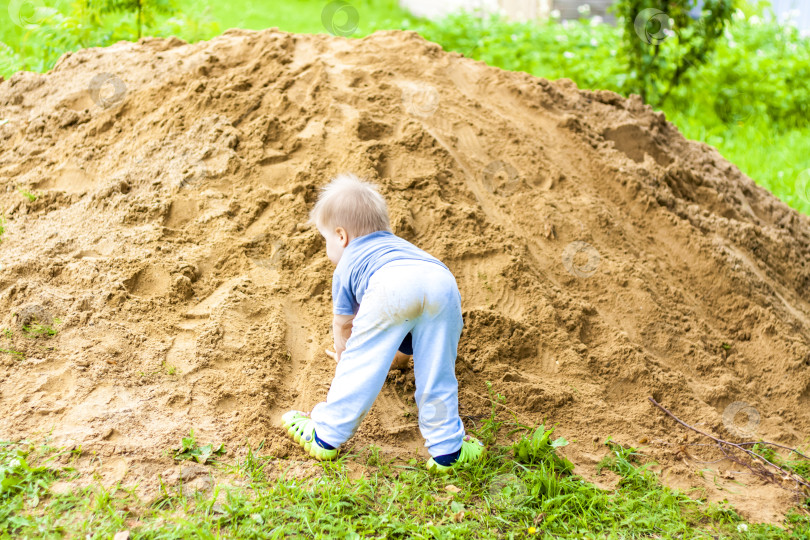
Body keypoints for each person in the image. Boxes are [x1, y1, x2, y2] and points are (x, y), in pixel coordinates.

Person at [281, 173, 485, 473]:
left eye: (326, 240)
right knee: (437, 370)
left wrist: (344, 356)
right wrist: (399, 361)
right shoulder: (399, 246)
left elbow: (344, 326)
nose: (328, 250)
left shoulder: (348, 264)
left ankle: (325, 435)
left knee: (359, 366)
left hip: (391, 285)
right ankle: (447, 449)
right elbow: (407, 319)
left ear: (341, 236)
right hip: (441, 281)